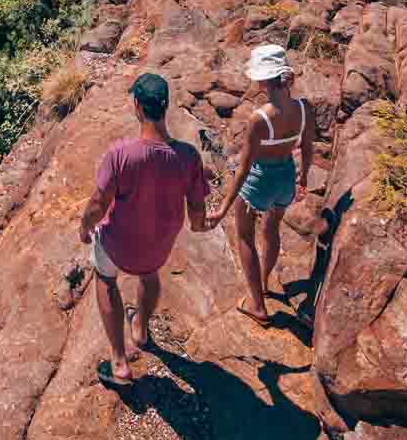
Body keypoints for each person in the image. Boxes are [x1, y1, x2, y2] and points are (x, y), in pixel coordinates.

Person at [79, 71, 208, 388]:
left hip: (118, 244)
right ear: (165, 107)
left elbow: (98, 203)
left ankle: (120, 362)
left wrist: (85, 227)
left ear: (137, 106)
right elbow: (197, 213)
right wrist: (205, 221)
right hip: (158, 246)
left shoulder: (121, 155)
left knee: (106, 280)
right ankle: (141, 330)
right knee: (149, 276)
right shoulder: (189, 156)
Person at [207, 42, 314, 326]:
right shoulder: (304, 108)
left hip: (260, 180)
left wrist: (222, 207)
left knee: (244, 236)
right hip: (286, 177)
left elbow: (243, 168)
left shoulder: (260, 118)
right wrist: (303, 176)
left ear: (263, 79)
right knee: (272, 228)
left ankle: (257, 305)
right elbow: (307, 146)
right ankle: (265, 283)